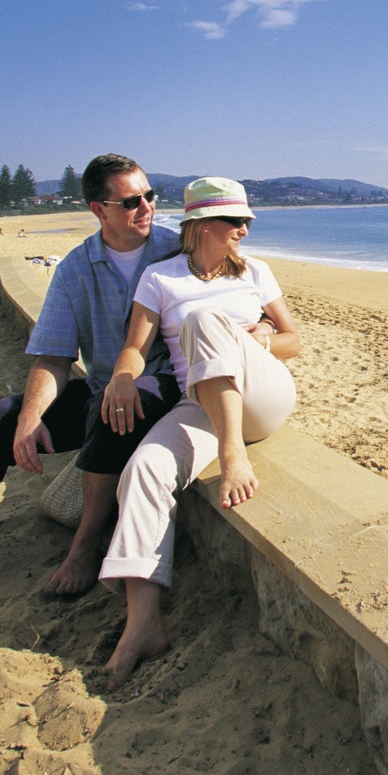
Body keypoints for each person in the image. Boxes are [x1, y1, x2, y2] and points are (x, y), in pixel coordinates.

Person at [0, 154, 195, 598]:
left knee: (117, 405)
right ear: (99, 209)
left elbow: (241, 296)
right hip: (102, 387)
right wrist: (29, 419)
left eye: (150, 195)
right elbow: (53, 357)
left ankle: (85, 548)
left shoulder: (176, 252)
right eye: (131, 201)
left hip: (163, 389)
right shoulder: (74, 269)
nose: (146, 206)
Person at [99, 177, 299, 688]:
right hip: (203, 404)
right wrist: (122, 379)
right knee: (144, 469)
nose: (245, 230)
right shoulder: (160, 279)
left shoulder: (256, 272)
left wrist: (261, 339)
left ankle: (234, 456)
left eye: (247, 221)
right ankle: (143, 623)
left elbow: (294, 339)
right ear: (203, 224)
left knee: (208, 323)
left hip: (262, 395)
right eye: (236, 221)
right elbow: (135, 347)